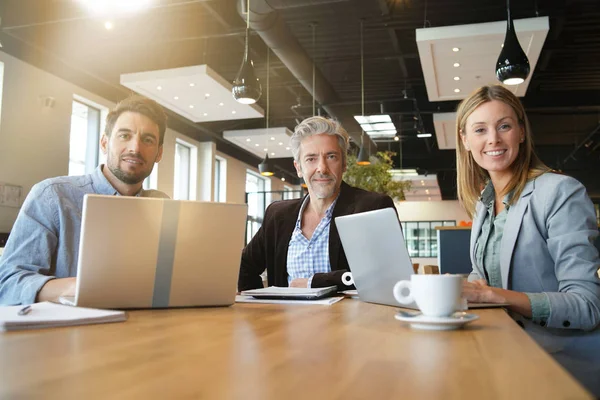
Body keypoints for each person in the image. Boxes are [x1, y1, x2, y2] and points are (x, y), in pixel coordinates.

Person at [456, 85, 600, 396]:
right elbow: (484, 277)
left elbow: (587, 306)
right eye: (480, 129)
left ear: (521, 132)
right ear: (465, 141)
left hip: (558, 364)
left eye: (504, 126)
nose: (493, 138)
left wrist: (497, 296)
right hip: (499, 350)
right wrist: (458, 290)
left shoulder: (561, 192)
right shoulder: (484, 202)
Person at [0, 95, 169, 305]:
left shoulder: (163, 205)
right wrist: (80, 287)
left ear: (159, 153)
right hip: (65, 333)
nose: (135, 148)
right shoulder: (52, 196)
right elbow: (7, 284)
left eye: (148, 140)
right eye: (125, 135)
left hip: (146, 328)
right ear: (105, 143)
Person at [238, 116, 397, 292]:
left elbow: (389, 275)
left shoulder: (372, 208)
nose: (322, 168)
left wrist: (313, 283)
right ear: (298, 167)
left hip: (346, 319)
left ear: (344, 164)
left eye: (331, 156)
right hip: (285, 318)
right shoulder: (278, 215)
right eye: (311, 159)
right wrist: (261, 311)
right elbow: (244, 268)